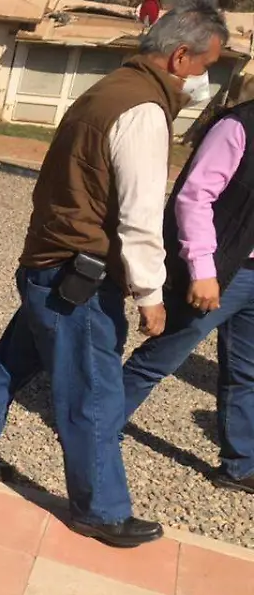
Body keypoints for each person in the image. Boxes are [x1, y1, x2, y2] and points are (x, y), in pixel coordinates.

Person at [0, 0, 227, 549]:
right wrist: (150, 293)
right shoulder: (143, 109)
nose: (203, 80)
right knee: (92, 392)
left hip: (48, 265)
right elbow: (139, 216)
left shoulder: (107, 88)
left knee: (9, 364)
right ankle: (100, 509)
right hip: (80, 277)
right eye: (204, 65)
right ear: (180, 56)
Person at [124, 97, 254, 493]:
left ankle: (241, 465)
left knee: (247, 373)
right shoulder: (238, 126)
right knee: (159, 360)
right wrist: (203, 268)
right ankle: (93, 430)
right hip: (222, 272)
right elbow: (194, 196)